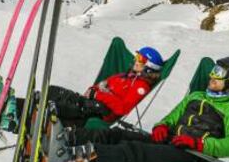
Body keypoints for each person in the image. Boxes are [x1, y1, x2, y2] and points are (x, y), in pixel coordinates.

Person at [53, 56, 229, 162]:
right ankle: (63, 139)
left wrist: (199, 144)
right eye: (213, 71)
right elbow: (172, 117)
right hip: (171, 141)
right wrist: (162, 126)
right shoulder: (197, 95)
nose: (212, 76)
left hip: (192, 154)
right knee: (117, 135)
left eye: (219, 73)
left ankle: (74, 159)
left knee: (133, 151)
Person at [15, 46, 164, 130]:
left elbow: (122, 108)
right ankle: (17, 105)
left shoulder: (141, 86)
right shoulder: (124, 76)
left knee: (57, 106)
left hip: (100, 112)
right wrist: (93, 91)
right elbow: (100, 85)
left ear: (149, 66)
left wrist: (99, 95)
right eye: (137, 56)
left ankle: (15, 110)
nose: (135, 60)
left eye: (140, 59)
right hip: (91, 102)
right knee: (54, 91)